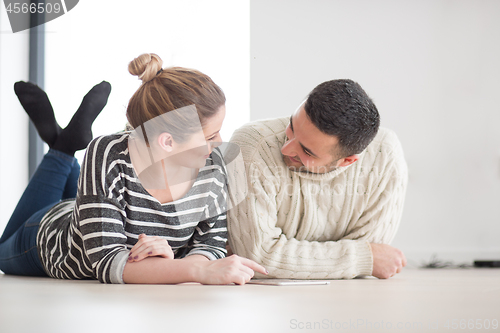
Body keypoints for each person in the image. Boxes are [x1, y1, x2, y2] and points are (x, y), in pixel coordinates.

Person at [0, 53, 266, 284]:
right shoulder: (108, 153)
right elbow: (106, 261)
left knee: (91, 195)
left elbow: (210, 243)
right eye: (210, 136)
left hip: (96, 208)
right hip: (54, 238)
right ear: (168, 141)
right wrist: (195, 270)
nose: (220, 142)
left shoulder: (214, 165)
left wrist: (178, 265)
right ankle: (63, 149)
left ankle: (63, 142)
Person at [227, 79, 408, 280]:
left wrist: (289, 257)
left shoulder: (384, 155)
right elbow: (257, 255)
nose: (286, 148)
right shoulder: (253, 145)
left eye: (306, 151)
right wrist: (361, 258)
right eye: (292, 127)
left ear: (347, 161)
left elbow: (372, 243)